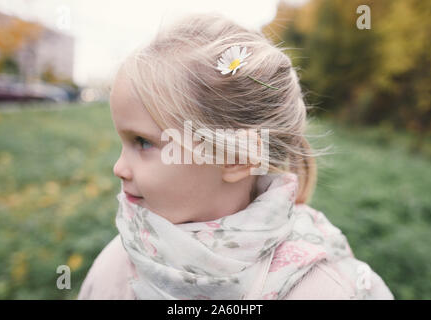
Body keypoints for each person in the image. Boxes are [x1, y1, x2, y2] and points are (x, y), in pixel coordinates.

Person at [78, 13, 394, 300]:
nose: (119, 168)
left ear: (236, 158)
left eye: (143, 143)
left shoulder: (320, 288)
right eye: (124, 141)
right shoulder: (117, 264)